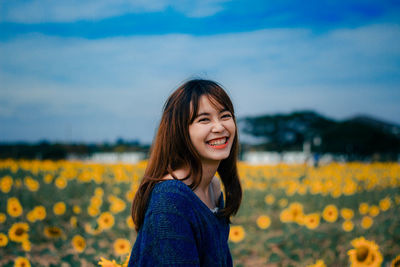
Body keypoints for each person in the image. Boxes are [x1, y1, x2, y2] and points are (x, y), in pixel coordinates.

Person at [128, 79, 242, 267]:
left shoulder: (213, 186)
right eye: (204, 119)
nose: (219, 127)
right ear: (180, 131)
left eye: (225, 115)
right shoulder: (170, 199)